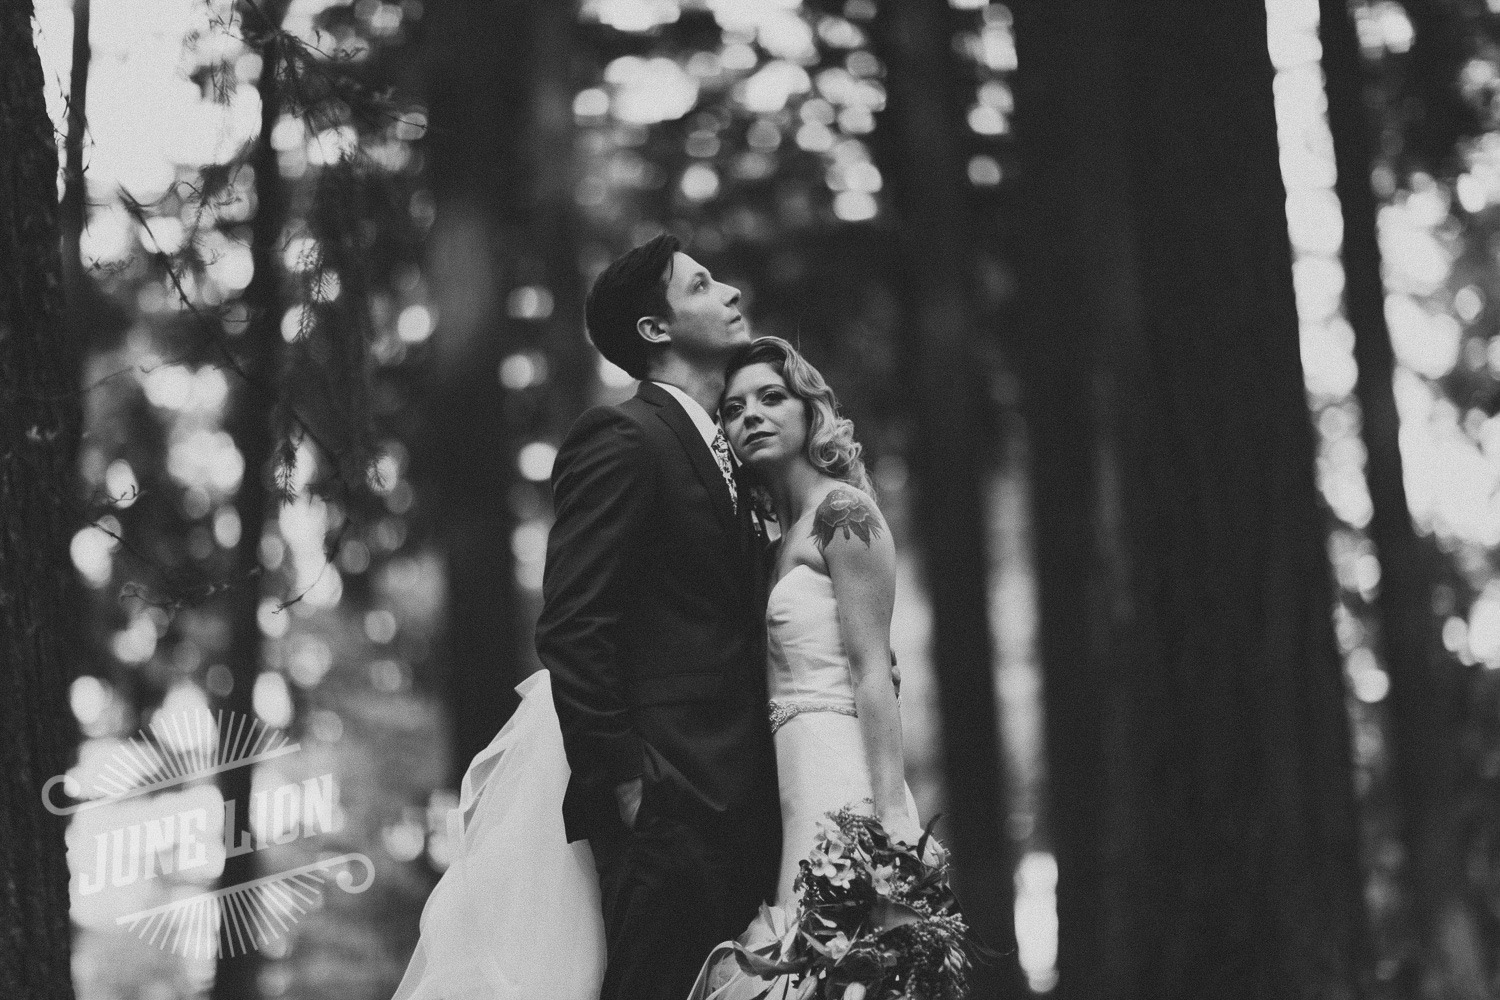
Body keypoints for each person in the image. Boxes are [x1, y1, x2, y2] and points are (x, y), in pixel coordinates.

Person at [536, 234, 783, 1000]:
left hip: (743, 809)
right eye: (703, 285)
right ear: (655, 329)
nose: (730, 292)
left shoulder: (736, 459)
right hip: (669, 814)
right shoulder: (622, 437)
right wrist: (632, 788)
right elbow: (574, 626)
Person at [688, 336, 925, 998]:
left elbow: (875, 675)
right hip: (792, 789)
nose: (751, 416)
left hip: (841, 779)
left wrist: (892, 829)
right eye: (734, 410)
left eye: (771, 397)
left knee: (834, 971)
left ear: (810, 411)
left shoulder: (844, 512)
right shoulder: (771, 541)